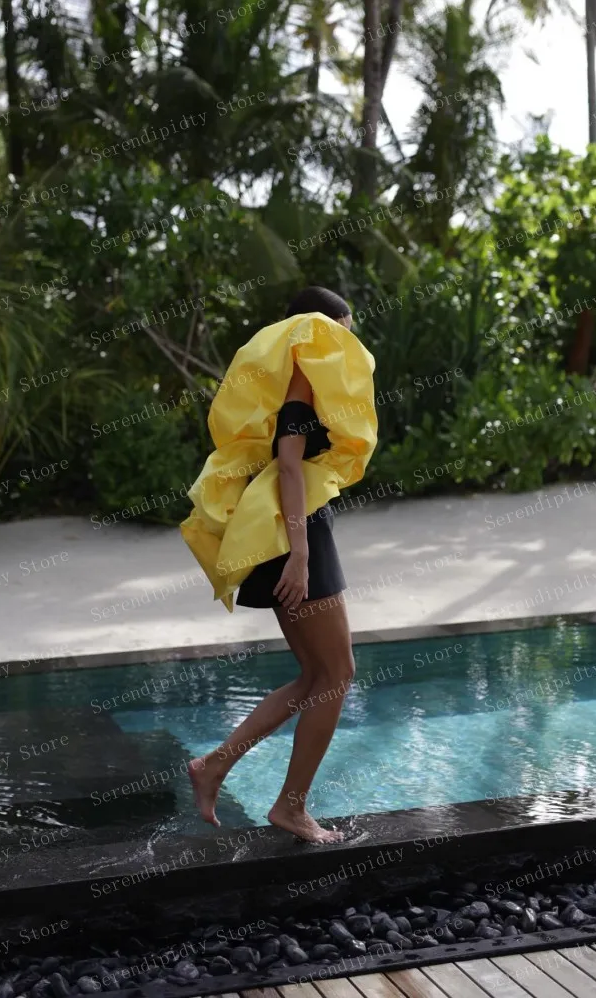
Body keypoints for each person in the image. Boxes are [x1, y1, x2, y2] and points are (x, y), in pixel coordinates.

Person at [187, 287, 374, 844]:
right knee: (337, 674)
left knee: (317, 677)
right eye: (342, 328)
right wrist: (300, 554)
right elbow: (289, 467)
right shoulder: (300, 381)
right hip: (296, 534)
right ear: (320, 329)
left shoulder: (287, 382)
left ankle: (214, 766)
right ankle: (291, 808)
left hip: (285, 530)